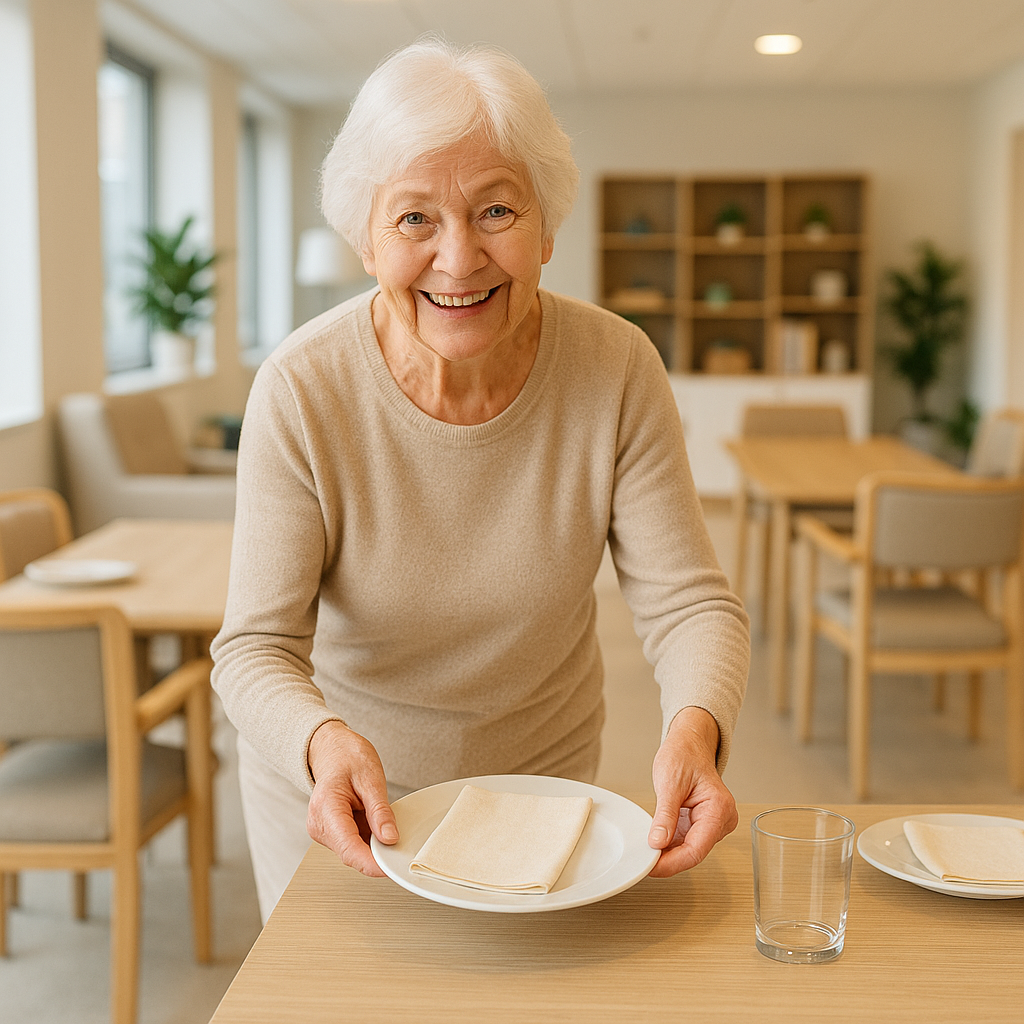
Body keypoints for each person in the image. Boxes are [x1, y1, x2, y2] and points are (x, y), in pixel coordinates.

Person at [211, 37, 749, 924]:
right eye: (415, 218)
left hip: (536, 795)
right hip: (347, 805)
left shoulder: (616, 368)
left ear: (547, 224)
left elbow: (690, 603)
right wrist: (320, 744)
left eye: (496, 211)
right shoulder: (303, 387)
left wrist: (698, 724)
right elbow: (254, 649)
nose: (459, 261)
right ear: (364, 236)